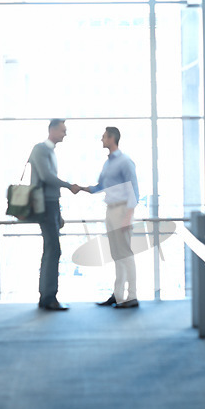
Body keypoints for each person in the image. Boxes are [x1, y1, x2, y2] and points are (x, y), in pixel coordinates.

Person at [81, 126, 139, 308]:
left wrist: (127, 218)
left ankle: (132, 297)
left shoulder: (125, 161)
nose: (101, 140)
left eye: (104, 137)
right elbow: (100, 187)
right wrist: (79, 188)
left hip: (122, 211)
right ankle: (118, 295)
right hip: (111, 210)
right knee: (116, 255)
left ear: (112, 138)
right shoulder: (108, 163)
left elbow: (134, 192)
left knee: (126, 254)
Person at [29, 119, 80, 310]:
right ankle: (48, 298)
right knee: (53, 250)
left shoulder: (50, 151)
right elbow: (46, 177)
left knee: (51, 250)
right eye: (62, 130)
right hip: (45, 206)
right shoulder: (41, 149)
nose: (65, 134)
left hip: (51, 205)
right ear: (51, 130)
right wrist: (69, 186)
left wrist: (59, 214)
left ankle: (47, 297)